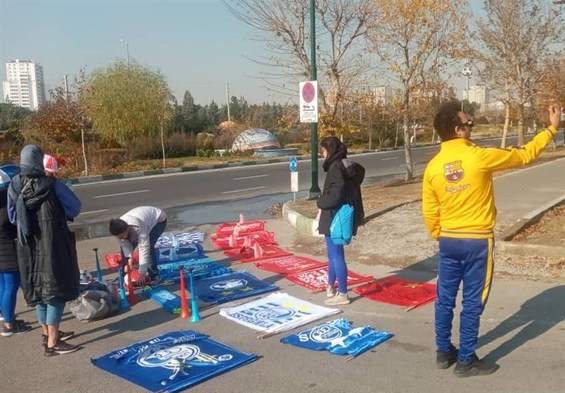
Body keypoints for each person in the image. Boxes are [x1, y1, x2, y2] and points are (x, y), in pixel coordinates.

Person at [422, 103, 561, 378]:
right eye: (469, 122)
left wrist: (442, 233)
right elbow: (525, 155)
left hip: (449, 240)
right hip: (476, 241)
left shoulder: (434, 166)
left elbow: (429, 210)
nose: (472, 126)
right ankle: (466, 360)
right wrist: (551, 128)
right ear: (458, 130)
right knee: (473, 301)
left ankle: (442, 352)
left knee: (445, 298)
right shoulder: (479, 156)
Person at [7, 144, 81, 356]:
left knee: (38, 291)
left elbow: (13, 218)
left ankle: (47, 334)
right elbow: (74, 207)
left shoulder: (14, 185)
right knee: (55, 291)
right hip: (52, 243)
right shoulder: (52, 185)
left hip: (26, 245)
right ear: (39, 161)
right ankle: (53, 345)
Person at [316, 136, 365, 306]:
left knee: (336, 256)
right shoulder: (344, 165)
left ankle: (343, 293)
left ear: (330, 150)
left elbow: (335, 196)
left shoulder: (336, 168)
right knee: (333, 255)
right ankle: (331, 287)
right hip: (337, 216)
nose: (322, 154)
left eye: (322, 150)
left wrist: (320, 201)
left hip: (334, 217)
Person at [0, 168, 32, 337]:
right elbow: (15, 223)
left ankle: (7, 318)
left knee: (3, 286)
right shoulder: (5, 206)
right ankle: (9, 324)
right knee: (11, 287)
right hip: (7, 251)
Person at [109, 206, 167, 286]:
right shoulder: (118, 228)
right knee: (126, 248)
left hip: (158, 220)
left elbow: (144, 248)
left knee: (149, 246)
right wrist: (129, 260)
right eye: (118, 237)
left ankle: (154, 275)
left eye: (122, 236)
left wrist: (142, 273)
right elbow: (125, 245)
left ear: (126, 230)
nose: (120, 239)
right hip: (141, 218)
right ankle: (124, 275)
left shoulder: (138, 225)